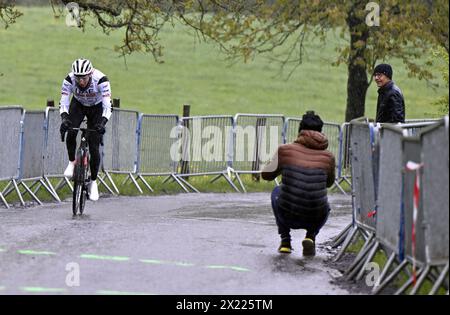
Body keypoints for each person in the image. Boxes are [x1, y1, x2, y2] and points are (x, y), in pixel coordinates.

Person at [262, 111, 335, 256]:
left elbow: (266, 175)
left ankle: (285, 241)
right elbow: (329, 183)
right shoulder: (329, 157)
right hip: (314, 216)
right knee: (325, 205)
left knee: (277, 191)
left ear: (300, 130)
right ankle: (311, 236)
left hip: (288, 213)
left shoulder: (285, 150)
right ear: (320, 132)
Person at [59, 58, 112, 201]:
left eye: (84, 78)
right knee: (71, 131)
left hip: (97, 107)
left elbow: (108, 107)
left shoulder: (101, 80)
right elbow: (63, 102)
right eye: (78, 78)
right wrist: (64, 119)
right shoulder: (69, 80)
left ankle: (93, 181)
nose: (81, 81)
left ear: (90, 74)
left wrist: (102, 122)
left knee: (94, 147)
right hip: (79, 104)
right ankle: (71, 162)